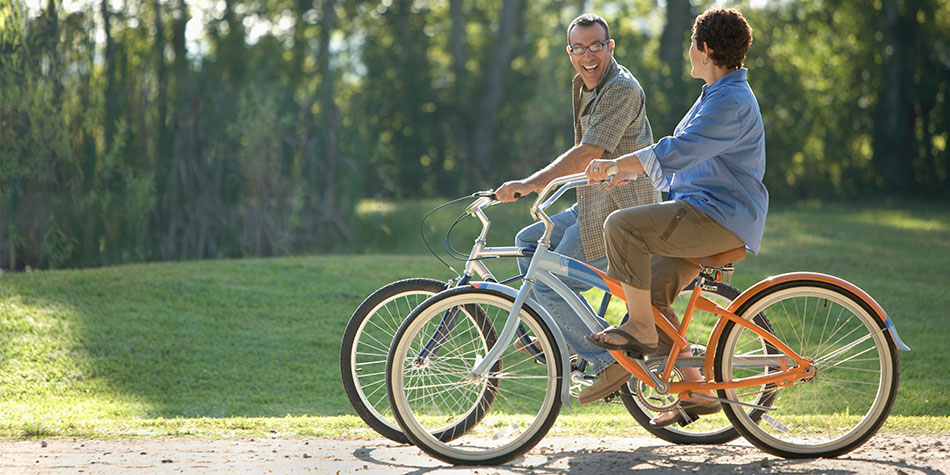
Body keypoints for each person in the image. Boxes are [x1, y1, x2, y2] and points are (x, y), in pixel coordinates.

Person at [580, 7, 768, 427]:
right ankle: (697, 389)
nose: (688, 51)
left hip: (718, 218)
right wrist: (625, 176)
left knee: (621, 225)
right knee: (654, 293)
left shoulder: (730, 101)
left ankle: (640, 335)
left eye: (690, 44)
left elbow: (675, 151)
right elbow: (685, 161)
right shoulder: (718, 93)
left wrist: (614, 165)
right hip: (704, 212)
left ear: (703, 49)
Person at [493, 13, 660, 392]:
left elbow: (589, 152)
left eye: (596, 46)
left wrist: (532, 184)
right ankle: (564, 338)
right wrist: (551, 186)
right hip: (592, 205)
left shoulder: (621, 88)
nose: (588, 55)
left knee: (549, 282)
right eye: (580, 48)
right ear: (570, 52)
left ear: (610, 47)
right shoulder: (586, 84)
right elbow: (588, 158)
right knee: (528, 242)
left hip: (620, 215)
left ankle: (608, 363)